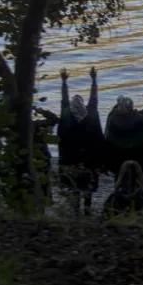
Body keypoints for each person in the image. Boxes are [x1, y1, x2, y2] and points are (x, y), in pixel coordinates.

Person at [56, 67, 105, 215]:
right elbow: (94, 99)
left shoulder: (66, 116)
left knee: (74, 187)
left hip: (69, 160)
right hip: (89, 161)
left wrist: (64, 82)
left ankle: (76, 210)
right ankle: (88, 209)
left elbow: (64, 100)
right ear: (83, 105)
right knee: (88, 186)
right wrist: (94, 80)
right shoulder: (91, 115)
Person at [105, 92, 143, 183]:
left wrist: (118, 104)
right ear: (132, 108)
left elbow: (111, 114)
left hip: (119, 165)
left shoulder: (112, 122)